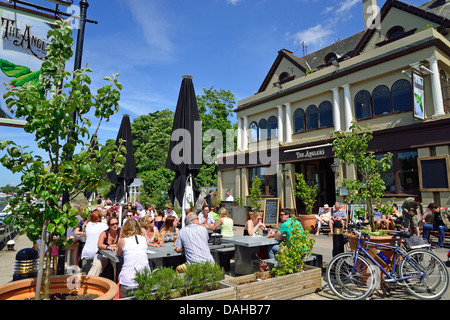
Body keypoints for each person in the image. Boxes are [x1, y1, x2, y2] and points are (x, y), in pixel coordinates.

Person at [117, 218, 150, 298]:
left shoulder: (123, 240)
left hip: (128, 280)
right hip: (145, 277)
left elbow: (118, 254)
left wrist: (121, 235)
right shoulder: (143, 239)